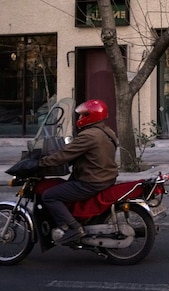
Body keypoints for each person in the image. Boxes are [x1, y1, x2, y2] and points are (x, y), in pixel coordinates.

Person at [38, 99, 119, 245]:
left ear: (91, 116)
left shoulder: (88, 135)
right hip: (105, 177)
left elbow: (64, 155)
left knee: (49, 195)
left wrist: (41, 162)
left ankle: (74, 228)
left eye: (83, 115)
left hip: (91, 181)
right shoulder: (107, 131)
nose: (80, 119)